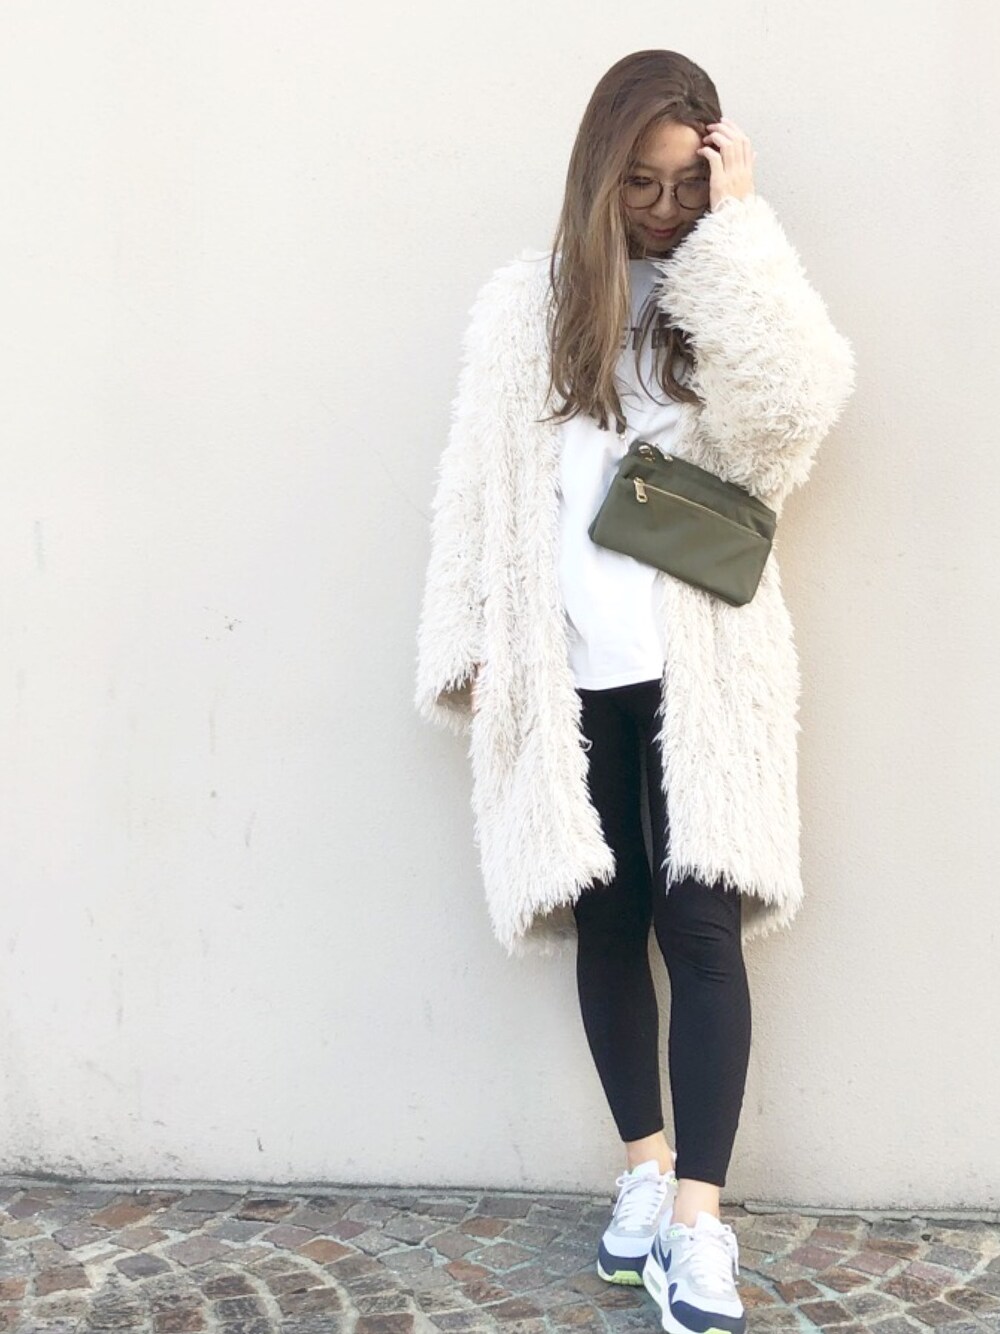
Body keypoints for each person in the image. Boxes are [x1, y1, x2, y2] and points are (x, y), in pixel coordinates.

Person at [414, 49, 856, 1334]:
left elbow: (792, 417)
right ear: (597, 174)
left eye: (685, 184)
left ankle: (699, 1226)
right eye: (641, 184)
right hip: (564, 669)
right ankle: (645, 1172)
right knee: (604, 923)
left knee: (698, 927)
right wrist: (470, 636)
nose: (663, 208)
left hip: (699, 664)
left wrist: (742, 229)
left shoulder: (721, 289)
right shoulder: (530, 306)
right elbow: (476, 485)